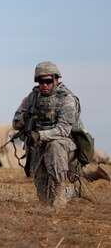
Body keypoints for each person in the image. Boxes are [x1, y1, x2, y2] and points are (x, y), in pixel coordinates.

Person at [12, 61, 108, 208]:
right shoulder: (32, 97)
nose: (44, 85)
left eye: (48, 81)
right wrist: (26, 118)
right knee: (45, 200)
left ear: (56, 79)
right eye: (40, 81)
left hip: (65, 147)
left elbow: (63, 130)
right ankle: (76, 190)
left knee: (54, 145)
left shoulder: (67, 99)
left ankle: (59, 190)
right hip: (39, 149)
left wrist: (39, 135)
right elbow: (15, 122)